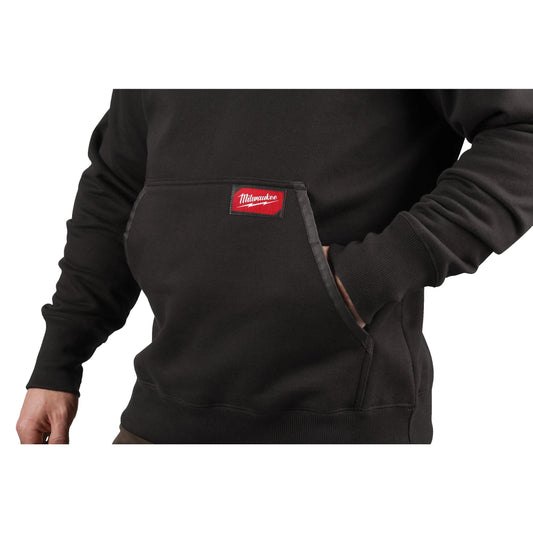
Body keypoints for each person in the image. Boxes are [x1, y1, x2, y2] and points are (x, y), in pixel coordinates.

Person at [16, 89, 533, 444]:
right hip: (160, 414)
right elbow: (117, 185)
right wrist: (58, 361)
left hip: (338, 430)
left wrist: (366, 277)